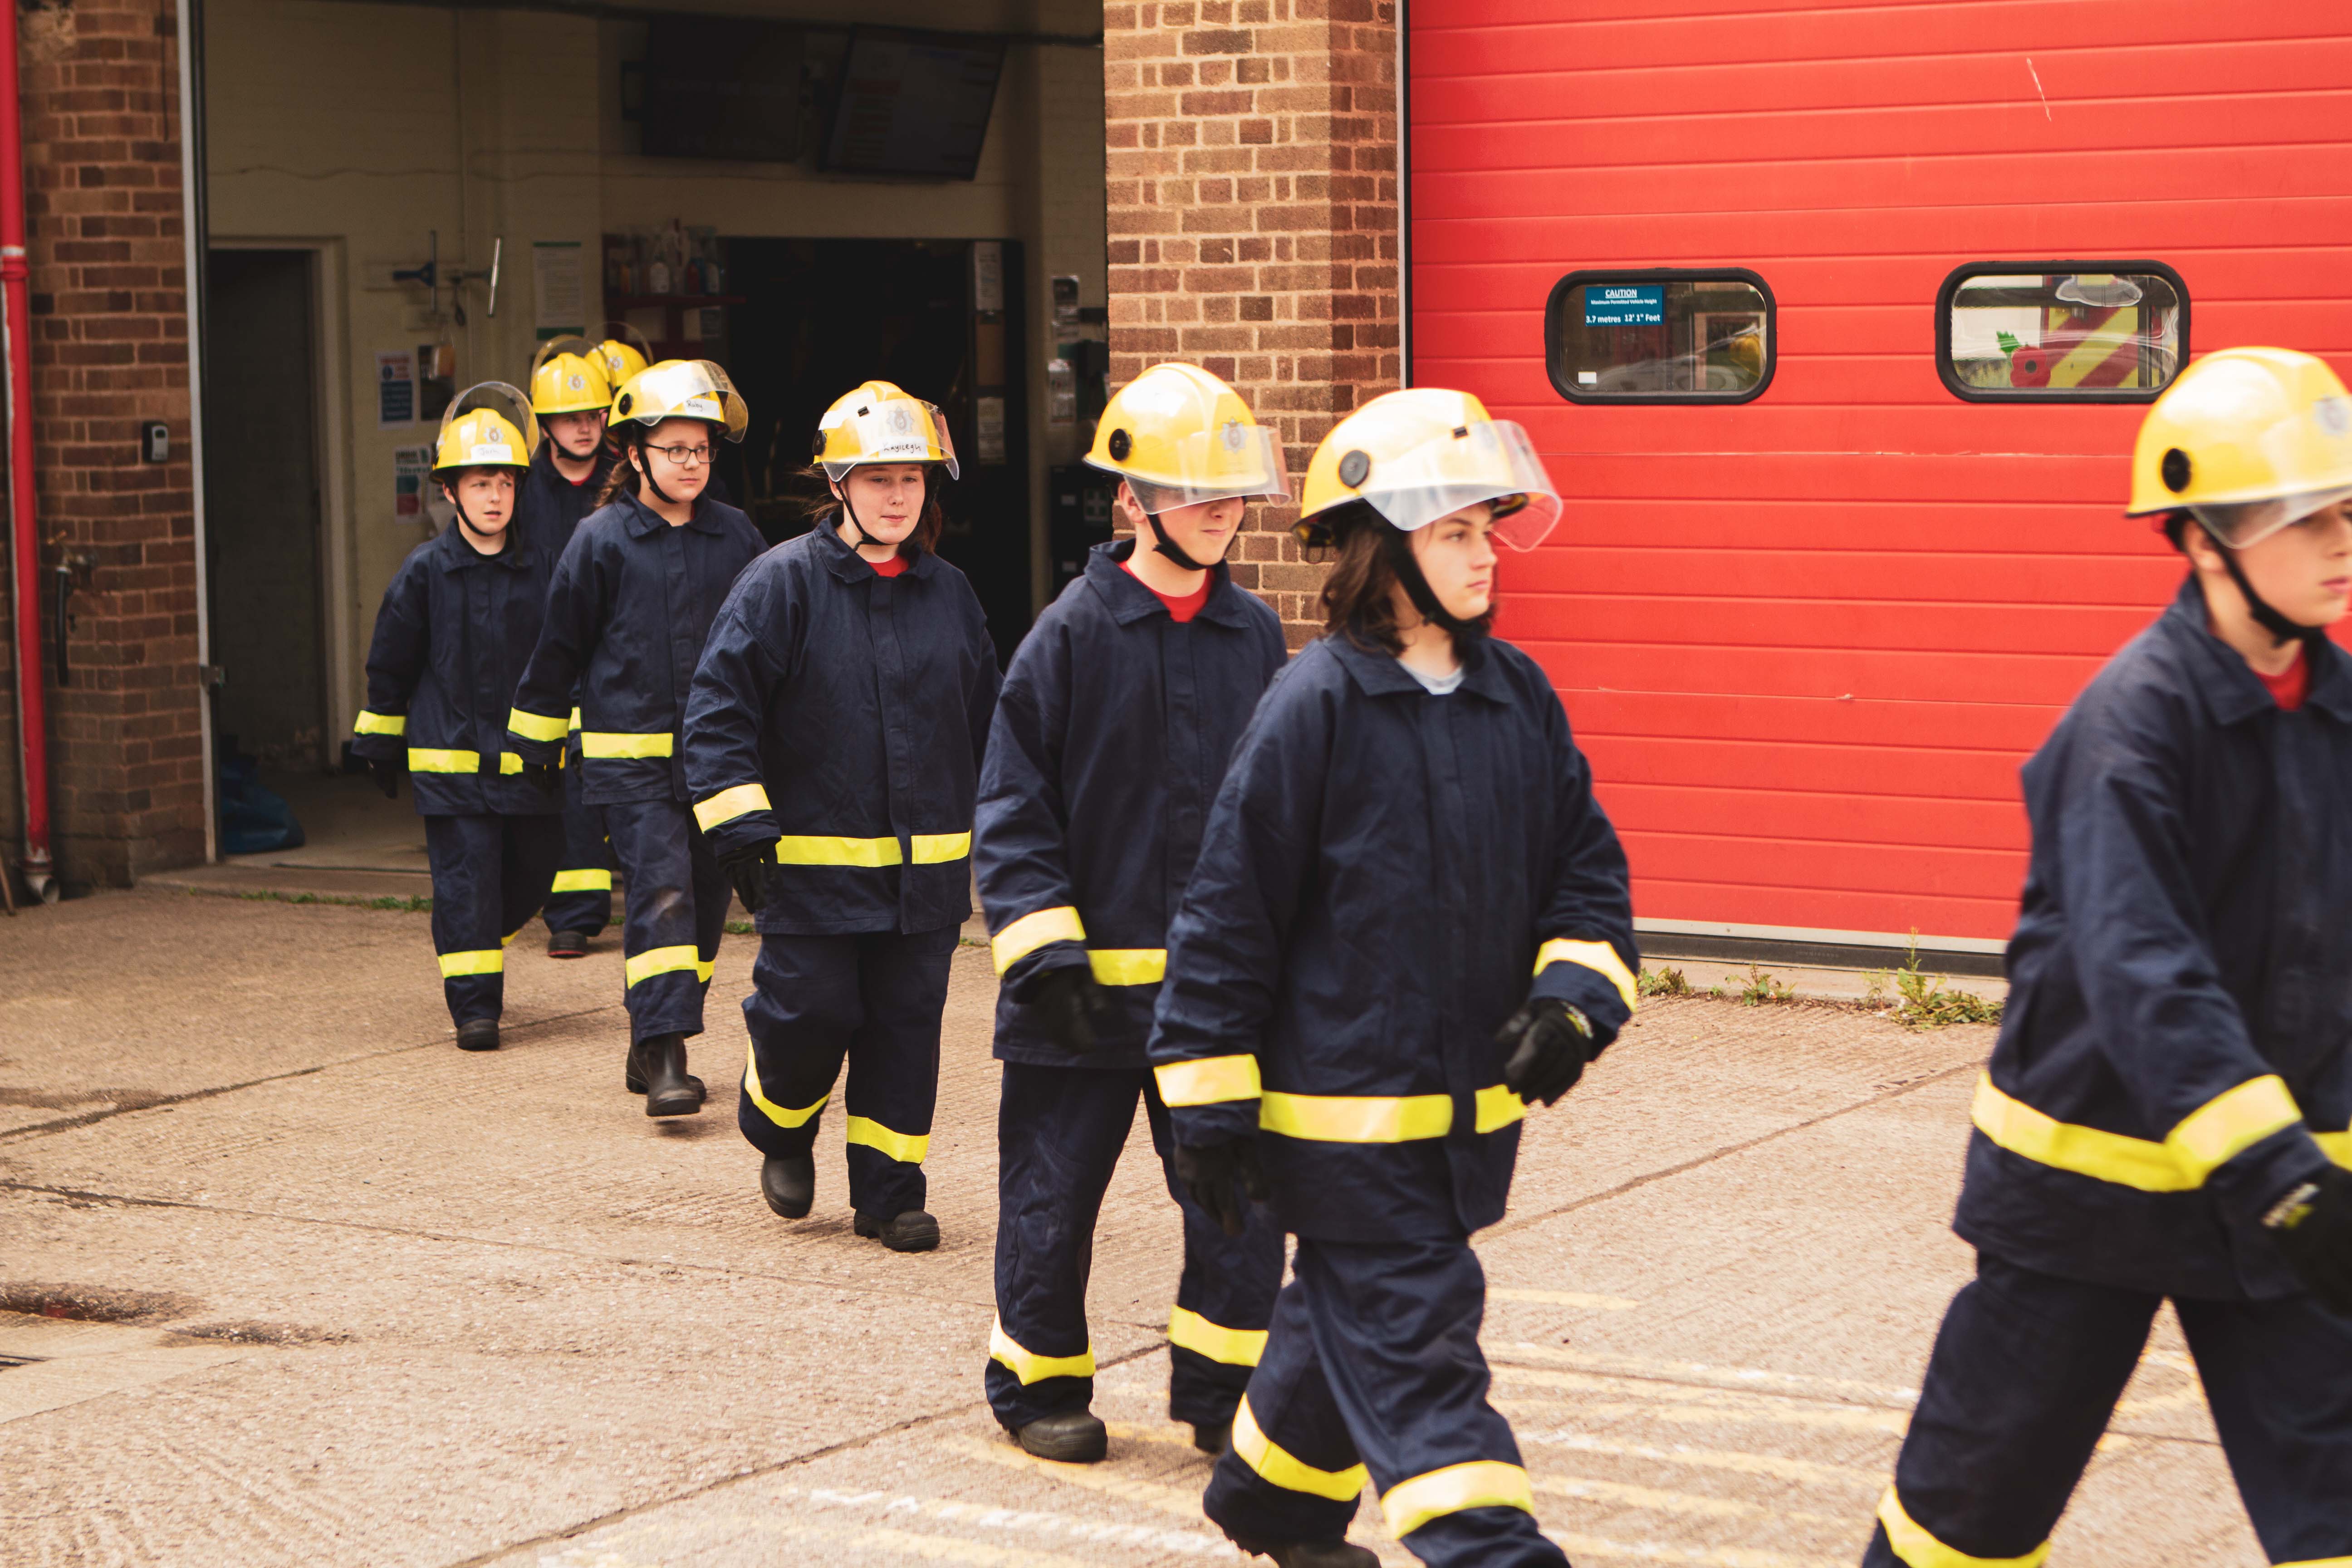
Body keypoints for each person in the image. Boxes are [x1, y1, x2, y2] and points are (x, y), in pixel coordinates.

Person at [1862, 347, 2352, 1567]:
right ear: (2203, 540)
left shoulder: (2337, 711)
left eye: (2350, 509)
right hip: (2092, 1204)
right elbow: (2148, 974)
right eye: (2310, 516)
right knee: (1967, 1519)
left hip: (2284, 1208)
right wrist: (2285, 1176)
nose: (2344, 540)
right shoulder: (2132, 727)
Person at [1147, 387, 1637, 1568]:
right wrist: (1206, 1115)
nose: (1486, 555)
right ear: (1386, 547)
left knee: (1340, 1320)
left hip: (1461, 1129)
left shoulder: (1513, 695)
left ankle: (1269, 1498)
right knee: (1424, 1362)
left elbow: (1588, 871)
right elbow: (1228, 921)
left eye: (1489, 530)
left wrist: (1574, 1001)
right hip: (1344, 1141)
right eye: (1457, 532)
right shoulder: (1313, 708)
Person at [975, 363, 1293, 1464]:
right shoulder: (1068, 637)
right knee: (1053, 1206)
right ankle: (1037, 1385)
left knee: (1239, 1203)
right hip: (1081, 1004)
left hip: (1213, 1006)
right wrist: (1045, 962)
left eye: (1231, 489)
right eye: (1191, 487)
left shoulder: (1255, 636)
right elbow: (1013, 811)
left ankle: (1220, 1388)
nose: (1220, 508)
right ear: (1129, 500)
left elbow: (1283, 815)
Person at [684, 380, 998, 1253]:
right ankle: (778, 1119)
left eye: (913, 479)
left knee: (906, 1037)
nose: (899, 496)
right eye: (878, 478)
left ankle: (890, 1195)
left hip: (924, 887)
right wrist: (741, 828)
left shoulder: (952, 596)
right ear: (839, 485)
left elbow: (991, 724)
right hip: (811, 881)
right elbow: (718, 714)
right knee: (808, 1016)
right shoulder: (780, 585)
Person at [508, 361, 765, 1117]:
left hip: (719, 769)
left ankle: (649, 1030)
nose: (691, 463)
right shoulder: (602, 541)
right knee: (662, 896)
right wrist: (536, 744)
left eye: (702, 450)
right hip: (632, 771)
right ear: (635, 454)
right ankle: (666, 1059)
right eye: (675, 448)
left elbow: (770, 647)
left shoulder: (738, 537)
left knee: (709, 913)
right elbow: (559, 647)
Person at [350, 384, 562, 1053]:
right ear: (450, 491)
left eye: (505, 482)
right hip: (451, 766)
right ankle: (476, 1009)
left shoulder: (545, 570)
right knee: (468, 881)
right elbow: (392, 663)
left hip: (527, 765)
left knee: (534, 873)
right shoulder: (426, 573)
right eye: (479, 483)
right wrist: (379, 741)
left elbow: (568, 657)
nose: (495, 496)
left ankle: (466, 934)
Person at [518, 338, 621, 959]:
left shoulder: (625, 476)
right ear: (546, 423)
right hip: (546, 656)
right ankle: (572, 916)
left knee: (611, 782)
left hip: (615, 654)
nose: (584, 427)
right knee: (557, 788)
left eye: (593, 415)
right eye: (569, 418)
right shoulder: (521, 486)